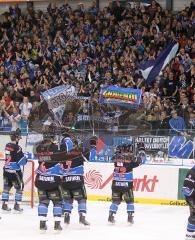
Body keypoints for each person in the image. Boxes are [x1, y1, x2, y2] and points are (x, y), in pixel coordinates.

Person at [60, 137, 96, 226]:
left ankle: (66, 216)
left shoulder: (60, 153)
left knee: (68, 200)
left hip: (65, 180)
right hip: (77, 180)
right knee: (82, 199)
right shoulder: (80, 152)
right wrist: (93, 146)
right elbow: (91, 157)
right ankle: (82, 217)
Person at [108, 142, 146, 224]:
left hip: (116, 184)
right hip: (126, 185)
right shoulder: (130, 159)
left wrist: (118, 151)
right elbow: (142, 160)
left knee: (115, 201)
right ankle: (130, 217)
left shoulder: (116, 159)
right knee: (130, 201)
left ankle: (111, 216)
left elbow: (113, 157)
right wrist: (141, 150)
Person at [34, 129, 64, 232]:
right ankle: (57, 225)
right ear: (52, 138)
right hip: (53, 180)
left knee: (43, 202)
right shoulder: (56, 148)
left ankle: (42, 225)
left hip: (41, 179)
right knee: (58, 202)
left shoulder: (38, 147)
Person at [1, 129, 28, 212]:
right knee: (19, 188)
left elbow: (12, 155)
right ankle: (17, 205)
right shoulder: (17, 147)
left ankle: (4, 205)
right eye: (19, 137)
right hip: (15, 171)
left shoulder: (7, 145)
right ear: (16, 138)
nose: (19, 139)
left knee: (6, 187)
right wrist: (25, 157)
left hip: (6, 169)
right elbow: (22, 162)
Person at [182, 166, 195, 239]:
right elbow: (186, 190)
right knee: (194, 217)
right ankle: (189, 236)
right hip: (192, 199)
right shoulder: (192, 173)